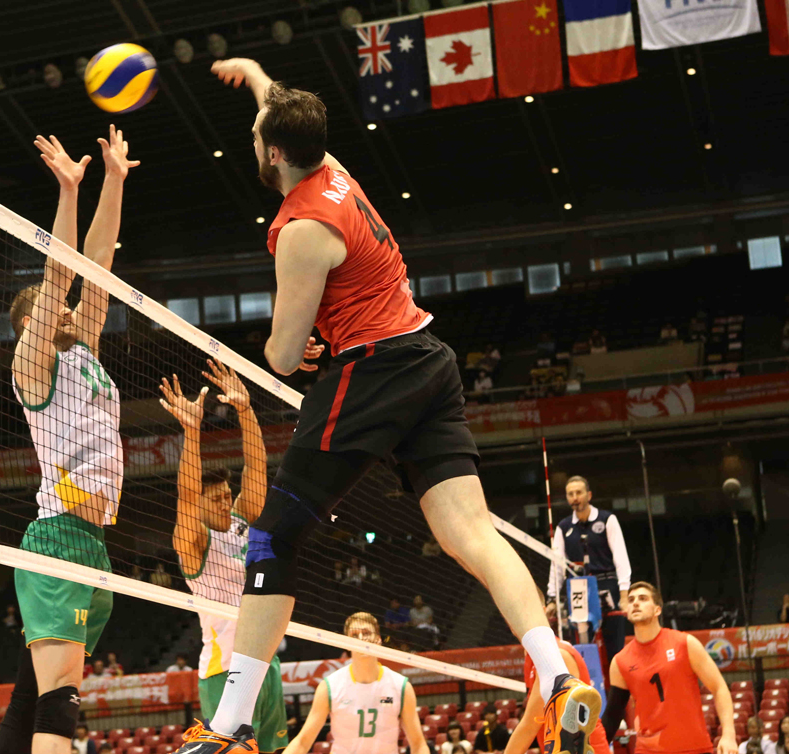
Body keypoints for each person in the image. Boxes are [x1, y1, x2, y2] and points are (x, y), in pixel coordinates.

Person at [171, 57, 598, 754]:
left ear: (273, 152)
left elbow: (281, 357)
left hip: (375, 372)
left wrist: (306, 340)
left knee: (273, 536)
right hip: (430, 358)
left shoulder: (301, 226)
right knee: (472, 536)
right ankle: (556, 679)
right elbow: (278, 103)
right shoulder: (330, 164)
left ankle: (232, 723)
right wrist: (252, 73)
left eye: (256, 134)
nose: (252, 137)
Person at [0, 126, 138, 754]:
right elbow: (62, 275)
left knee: (35, 693)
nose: (80, 311)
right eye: (63, 311)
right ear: (34, 324)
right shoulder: (32, 364)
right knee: (61, 696)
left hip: (94, 543)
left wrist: (114, 181)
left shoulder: (85, 351)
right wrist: (69, 192)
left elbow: (96, 268)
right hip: (55, 541)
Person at [161, 360, 290, 754]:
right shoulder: (192, 545)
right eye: (213, 498)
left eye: (224, 495)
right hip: (223, 670)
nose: (223, 501)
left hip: (265, 662)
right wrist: (191, 430)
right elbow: (185, 496)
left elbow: (257, 468)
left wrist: (246, 410)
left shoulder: (241, 519)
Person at [601, 582, 736, 754]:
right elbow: (612, 716)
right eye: (631, 600)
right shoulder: (620, 661)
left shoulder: (684, 643)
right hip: (648, 750)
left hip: (694, 748)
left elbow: (719, 688)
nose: (635, 603)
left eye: (643, 599)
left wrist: (729, 735)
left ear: (657, 609)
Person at [282, 612, 430, 754]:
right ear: (347, 643)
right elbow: (303, 742)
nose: (361, 638)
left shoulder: (401, 686)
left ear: (378, 639)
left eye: (366, 633)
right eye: (354, 635)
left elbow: (418, 744)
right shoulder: (330, 687)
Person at [507, 598, 611, 754]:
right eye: (510, 612)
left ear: (542, 612)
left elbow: (530, 724)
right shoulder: (533, 655)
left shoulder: (555, 654)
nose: (515, 618)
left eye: (520, 611)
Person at [548, 476, 632, 650]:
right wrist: (552, 598)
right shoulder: (563, 527)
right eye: (570, 494)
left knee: (615, 646)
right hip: (578, 589)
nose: (575, 497)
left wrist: (624, 595)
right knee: (581, 645)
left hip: (607, 585)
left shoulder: (607, 519)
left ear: (589, 495)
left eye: (579, 492)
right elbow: (556, 566)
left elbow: (621, 557)